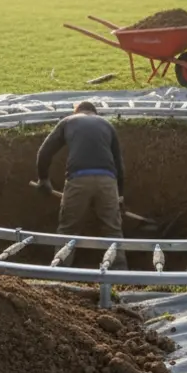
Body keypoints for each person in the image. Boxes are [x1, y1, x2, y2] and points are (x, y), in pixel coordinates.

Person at [35, 102, 127, 268]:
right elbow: (119, 165)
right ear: (95, 112)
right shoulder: (107, 125)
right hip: (107, 181)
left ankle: (60, 277)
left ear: (76, 111)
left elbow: (44, 152)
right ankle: (120, 277)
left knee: (68, 230)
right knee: (113, 231)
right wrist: (119, 197)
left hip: (78, 179)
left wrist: (43, 179)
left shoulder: (68, 121)